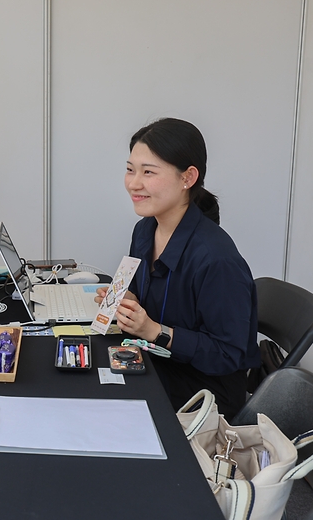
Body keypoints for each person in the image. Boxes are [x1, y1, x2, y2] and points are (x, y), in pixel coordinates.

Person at [96, 118, 259, 416]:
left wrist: (154, 330)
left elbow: (229, 354)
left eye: (148, 172)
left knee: (103, 398)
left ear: (187, 178)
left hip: (204, 392)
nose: (134, 183)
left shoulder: (216, 260)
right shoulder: (144, 231)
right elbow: (150, 297)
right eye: (130, 170)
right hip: (159, 360)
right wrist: (129, 302)